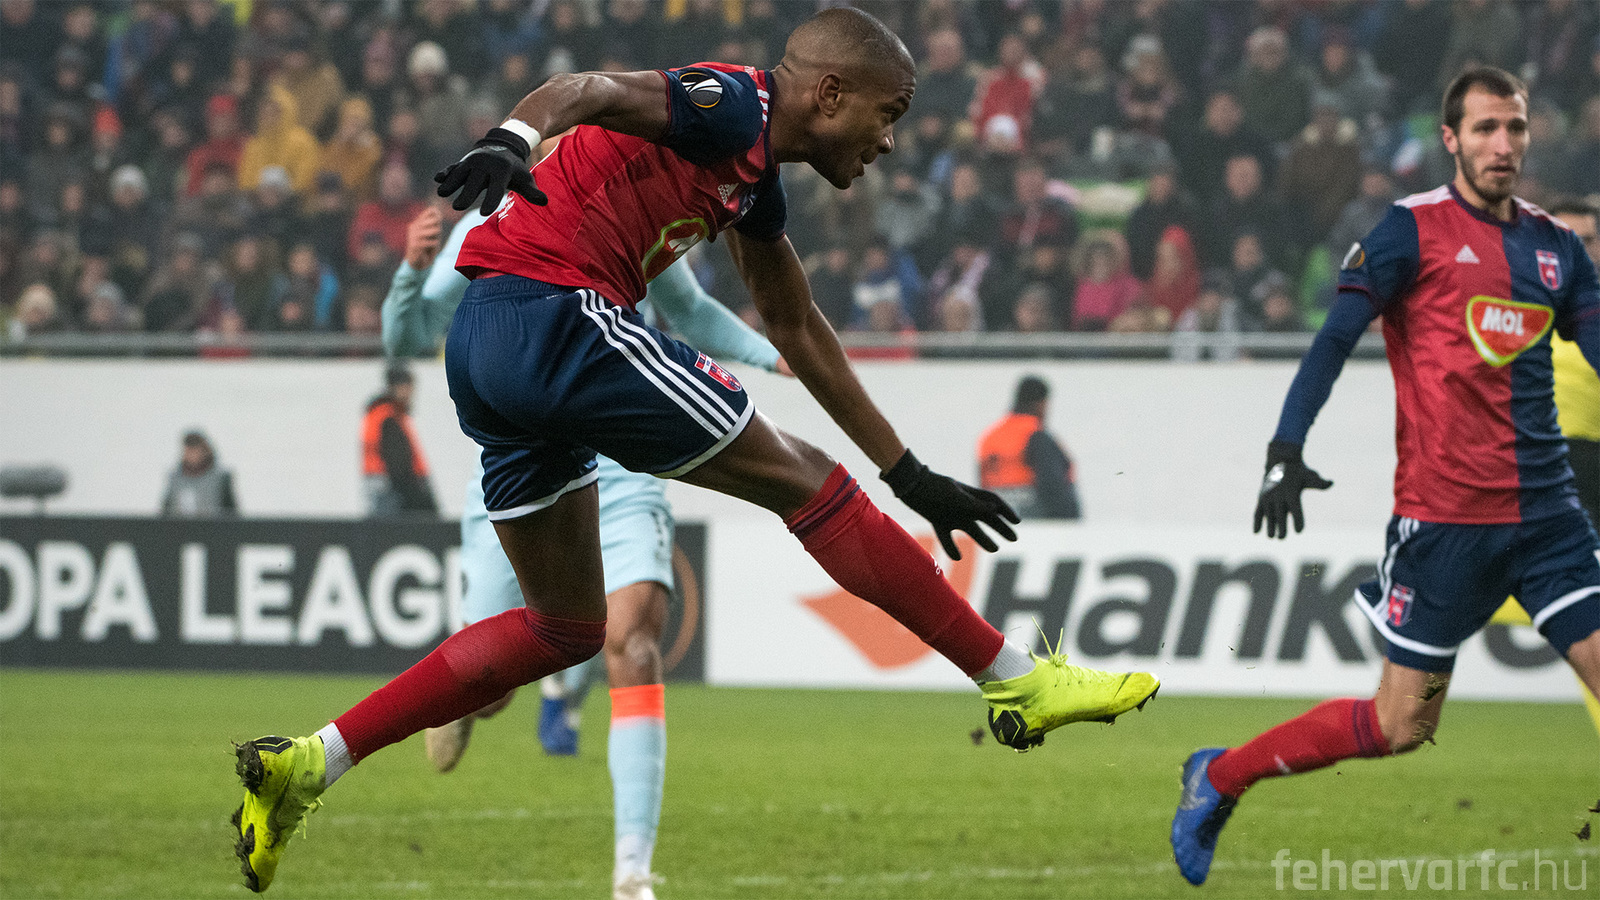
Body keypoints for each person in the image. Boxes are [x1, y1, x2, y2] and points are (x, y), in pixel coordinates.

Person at [232, 10, 1159, 894]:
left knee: (565, 629)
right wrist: (514, 136)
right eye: (889, 114)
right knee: (810, 487)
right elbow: (590, 88)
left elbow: (797, 326)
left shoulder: (753, 181)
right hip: (558, 311)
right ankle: (1014, 681)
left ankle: (312, 762)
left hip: (487, 346)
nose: (888, 142)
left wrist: (909, 474)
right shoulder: (732, 102)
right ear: (830, 94)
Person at [1170, 67, 1600, 887]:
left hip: (1549, 521)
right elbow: (1335, 339)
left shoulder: (1556, 248)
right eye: (1484, 129)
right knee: (1402, 725)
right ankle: (1219, 776)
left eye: (1514, 128)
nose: (1502, 144)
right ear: (1450, 139)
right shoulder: (1410, 231)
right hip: (1445, 527)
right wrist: (1286, 447)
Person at [383, 201, 788, 900]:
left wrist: (776, 352)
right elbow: (409, 336)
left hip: (626, 463)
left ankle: (632, 872)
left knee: (632, 644)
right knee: (492, 688)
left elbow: (690, 310)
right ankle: (467, 703)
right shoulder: (488, 226)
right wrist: (410, 274)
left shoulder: (637, 212)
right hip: (523, 465)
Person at [1548, 198, 1600, 527]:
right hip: (1542, 452)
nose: (1579, 250)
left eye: (1588, 240)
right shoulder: (1518, 300)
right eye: (1567, 239)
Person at [977, 376, 1082, 521]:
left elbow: (982, 485)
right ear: (1042, 403)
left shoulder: (989, 437)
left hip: (998, 517)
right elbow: (1052, 485)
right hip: (1036, 521)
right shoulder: (1035, 435)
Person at [361, 364, 438, 518]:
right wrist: (421, 500)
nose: (410, 392)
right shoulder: (389, 418)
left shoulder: (380, 414)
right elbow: (399, 465)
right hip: (392, 493)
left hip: (383, 488)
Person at [160, 430, 237, 517]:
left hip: (211, 524)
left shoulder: (221, 478)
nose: (191, 456)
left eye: (195, 451)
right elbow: (165, 511)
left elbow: (231, 513)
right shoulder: (175, 479)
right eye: (188, 451)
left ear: (203, 451)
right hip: (179, 525)